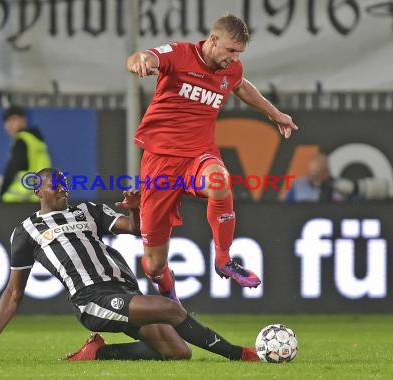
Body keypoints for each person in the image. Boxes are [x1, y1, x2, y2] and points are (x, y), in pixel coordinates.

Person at [0, 168, 259, 362]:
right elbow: (13, 293)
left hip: (124, 290)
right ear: (39, 192)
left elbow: (137, 229)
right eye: (56, 185)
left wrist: (138, 209)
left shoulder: (88, 211)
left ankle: (99, 353)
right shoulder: (27, 231)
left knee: (178, 352)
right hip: (92, 300)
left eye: (65, 184)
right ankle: (238, 355)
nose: (64, 189)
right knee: (169, 308)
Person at [126, 13, 298, 300]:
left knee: (219, 181)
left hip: (199, 155)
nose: (234, 58)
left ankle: (223, 258)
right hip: (160, 161)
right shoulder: (180, 54)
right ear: (213, 40)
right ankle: (168, 293)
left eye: (239, 53)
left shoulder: (231, 69)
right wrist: (139, 61)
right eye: (231, 50)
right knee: (154, 264)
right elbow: (144, 57)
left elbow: (241, 85)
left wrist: (275, 113)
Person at [0, 105, 52, 202]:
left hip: (18, 200)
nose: (9, 125)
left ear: (24, 120)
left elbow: (13, 168)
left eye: (13, 119)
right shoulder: (38, 141)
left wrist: (1, 193)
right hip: (38, 200)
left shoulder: (22, 140)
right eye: (7, 121)